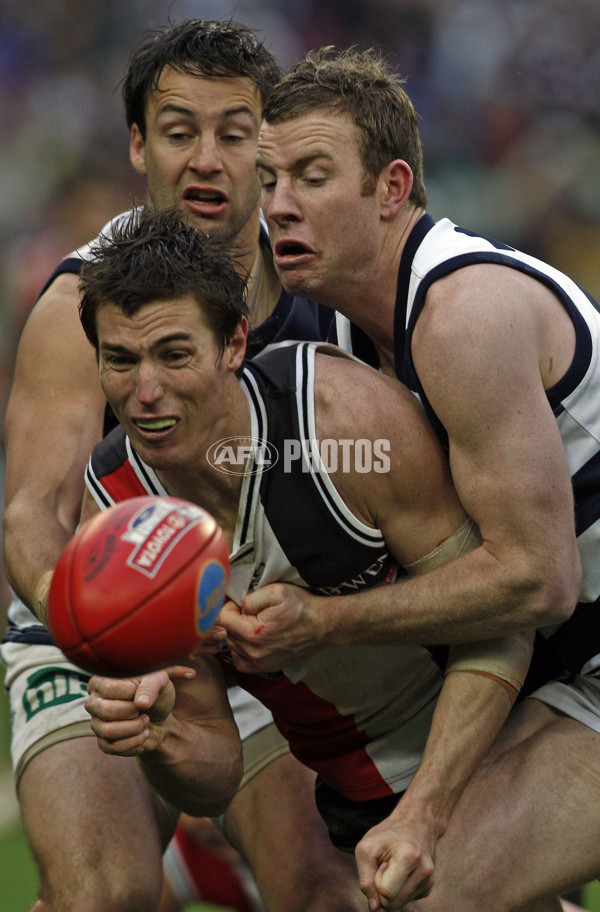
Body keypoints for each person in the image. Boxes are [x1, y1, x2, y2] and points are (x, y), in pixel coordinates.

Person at [214, 45, 600, 911]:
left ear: (391, 189)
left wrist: (324, 623)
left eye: (312, 176)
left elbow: (540, 578)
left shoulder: (463, 316)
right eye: (269, 178)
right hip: (569, 666)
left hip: (580, 651)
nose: (277, 205)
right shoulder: (337, 340)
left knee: (429, 894)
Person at [77, 206, 537, 909]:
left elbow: (504, 619)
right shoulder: (119, 514)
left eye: (174, 355)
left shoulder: (338, 420)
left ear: (233, 343)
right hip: (356, 793)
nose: (146, 392)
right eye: (121, 360)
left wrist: (428, 809)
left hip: (496, 748)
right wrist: (161, 737)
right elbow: (217, 766)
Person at [0, 21, 361, 912]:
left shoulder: (331, 287)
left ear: (267, 147)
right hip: (89, 629)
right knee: (103, 895)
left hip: (263, 636)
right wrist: (115, 632)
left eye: (233, 134)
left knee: (325, 890)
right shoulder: (79, 304)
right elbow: (30, 515)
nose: (206, 160)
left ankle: (202, 862)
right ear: (137, 145)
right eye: (176, 132)